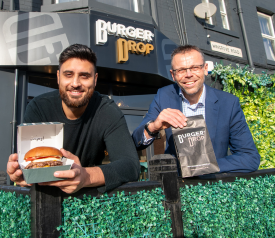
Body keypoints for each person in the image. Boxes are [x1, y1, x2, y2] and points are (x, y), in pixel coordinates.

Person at [7, 44, 140, 193]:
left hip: (90, 201)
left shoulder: (107, 110)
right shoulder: (38, 107)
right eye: (68, 74)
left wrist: (85, 176)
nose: (75, 84)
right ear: (58, 77)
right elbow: (27, 164)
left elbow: (131, 166)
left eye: (84, 76)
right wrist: (19, 172)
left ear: (95, 80)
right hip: (43, 199)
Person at [132, 45, 260, 173]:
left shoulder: (228, 103)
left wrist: (204, 166)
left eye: (194, 68)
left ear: (205, 69)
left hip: (213, 185)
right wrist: (154, 127)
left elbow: (249, 158)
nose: (189, 75)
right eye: (181, 70)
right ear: (173, 75)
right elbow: (137, 142)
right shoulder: (163, 96)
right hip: (177, 185)